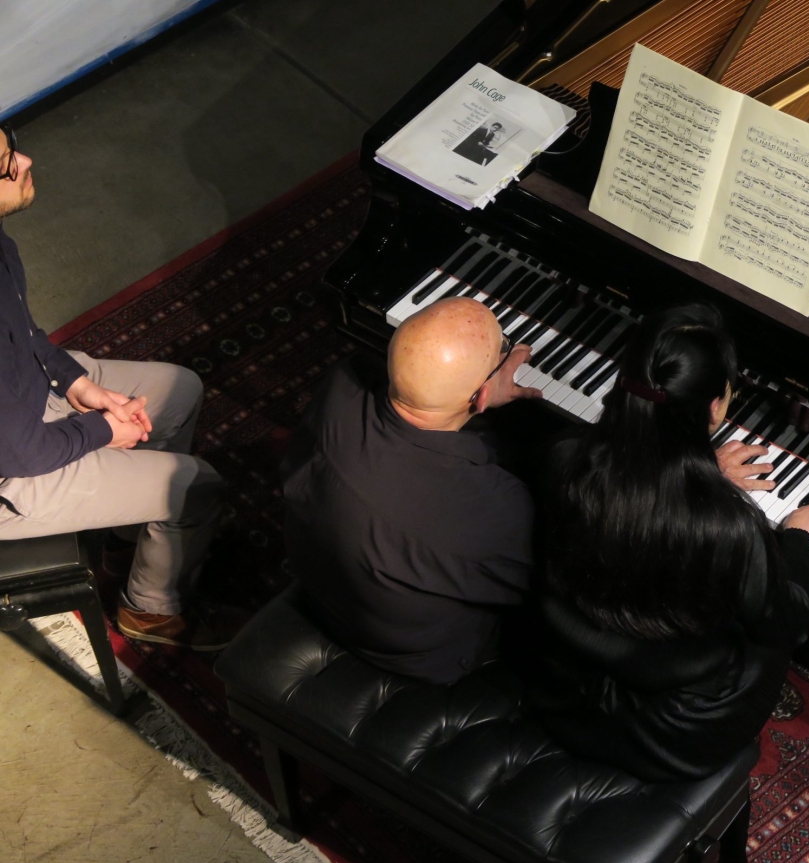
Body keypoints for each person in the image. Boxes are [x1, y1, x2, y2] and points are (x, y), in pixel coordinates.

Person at [518, 304, 809, 781]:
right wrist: (799, 535)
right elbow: (788, 623)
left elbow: (635, 492)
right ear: (715, 408)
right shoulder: (728, 527)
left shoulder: (563, 458)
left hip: (562, 687)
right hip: (668, 736)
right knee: (767, 634)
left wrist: (702, 475)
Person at [0, 122, 241, 649]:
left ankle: (128, 539)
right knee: (198, 486)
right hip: (10, 473)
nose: (26, 161)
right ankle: (150, 612)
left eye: (11, 146)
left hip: (22, 400)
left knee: (179, 391)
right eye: (6, 161)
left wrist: (77, 382)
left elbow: (23, 330)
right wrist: (104, 429)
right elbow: (23, 453)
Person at [281, 297, 543, 684]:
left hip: (327, 590)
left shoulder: (343, 379)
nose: (507, 351)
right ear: (483, 395)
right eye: (503, 348)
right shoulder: (490, 507)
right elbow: (538, 589)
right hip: (414, 653)